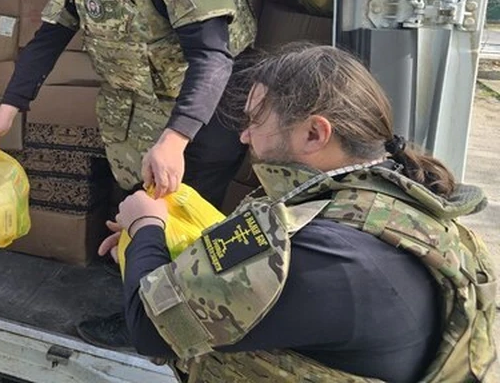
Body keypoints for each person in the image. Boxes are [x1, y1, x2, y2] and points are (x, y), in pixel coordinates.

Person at [0, 0, 257, 348]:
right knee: (131, 204)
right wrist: (7, 109)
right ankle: (137, 303)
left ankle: (173, 327)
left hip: (202, 111)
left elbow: (213, 58)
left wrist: (175, 140)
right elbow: (48, 39)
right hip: (134, 106)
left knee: (180, 219)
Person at [106, 44, 497, 382]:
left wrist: (145, 223)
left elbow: (152, 326)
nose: (245, 136)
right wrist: (150, 246)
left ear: (314, 133)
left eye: (255, 120)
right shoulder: (385, 200)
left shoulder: (323, 254)